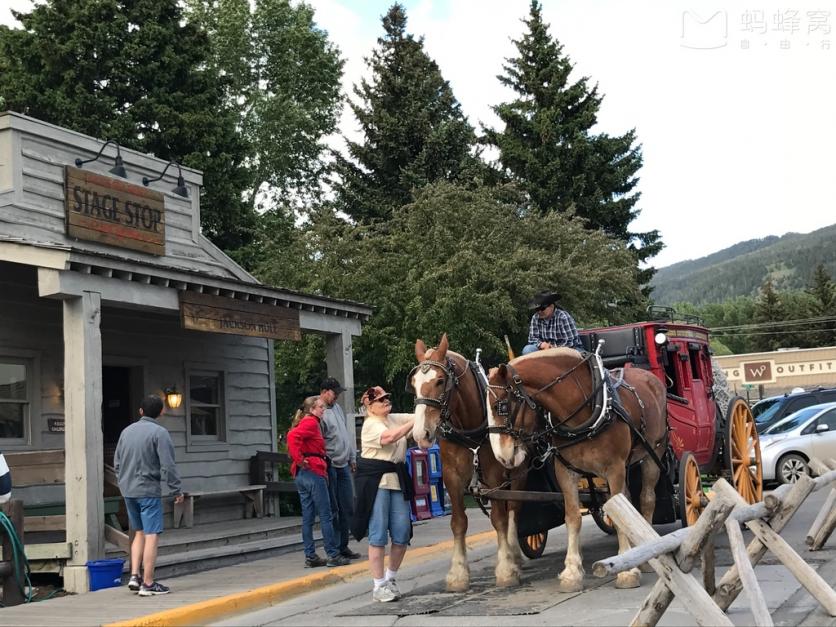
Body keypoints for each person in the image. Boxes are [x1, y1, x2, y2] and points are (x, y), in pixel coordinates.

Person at [114, 394, 183, 596]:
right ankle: (149, 583)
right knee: (152, 534)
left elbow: (117, 463)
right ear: (161, 412)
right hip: (148, 490)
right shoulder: (160, 433)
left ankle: (134, 575)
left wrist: (123, 482)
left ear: (141, 411)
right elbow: (168, 465)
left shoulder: (126, 432)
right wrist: (176, 489)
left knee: (138, 532)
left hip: (128, 490)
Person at [351, 386, 415, 603]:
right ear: (369, 406)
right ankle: (378, 585)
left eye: (387, 397)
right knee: (378, 534)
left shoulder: (393, 417)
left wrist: (426, 411)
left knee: (402, 532)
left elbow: (420, 416)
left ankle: (391, 578)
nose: (385, 401)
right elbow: (389, 438)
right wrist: (414, 423)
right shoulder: (371, 424)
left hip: (396, 479)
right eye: (380, 400)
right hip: (376, 481)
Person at [287, 396, 350, 569]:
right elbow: (292, 437)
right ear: (312, 409)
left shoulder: (305, 422)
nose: (323, 410)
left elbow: (295, 438)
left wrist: (299, 461)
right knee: (325, 514)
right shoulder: (311, 422)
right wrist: (299, 459)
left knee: (307, 516)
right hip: (313, 471)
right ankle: (332, 554)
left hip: (302, 474)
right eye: (320, 407)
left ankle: (310, 555)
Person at [319, 377, 361, 560]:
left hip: (343, 463)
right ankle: (335, 547)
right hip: (330, 464)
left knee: (348, 505)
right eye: (334, 392)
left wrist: (352, 456)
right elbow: (318, 440)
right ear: (325, 391)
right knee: (334, 508)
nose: (336, 396)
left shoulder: (336, 408)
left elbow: (346, 433)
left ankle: (343, 545)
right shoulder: (319, 411)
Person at [522, 290, 583, 354]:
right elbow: (532, 339)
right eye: (537, 309)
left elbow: (570, 343)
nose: (539, 311)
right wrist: (542, 344)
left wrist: (552, 348)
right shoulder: (535, 318)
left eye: (542, 308)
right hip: (545, 350)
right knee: (527, 349)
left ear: (551, 306)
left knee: (565, 354)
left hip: (569, 350)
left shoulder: (563, 317)